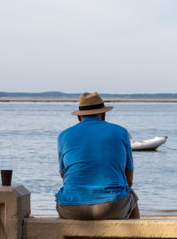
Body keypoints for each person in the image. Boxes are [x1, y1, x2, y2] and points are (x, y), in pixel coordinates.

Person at [55, 92, 140, 220]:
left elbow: (64, 175)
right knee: (132, 195)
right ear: (103, 115)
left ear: (79, 117)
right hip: (112, 206)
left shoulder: (63, 136)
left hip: (71, 208)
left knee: (66, 194)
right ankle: (135, 238)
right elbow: (129, 181)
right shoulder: (121, 132)